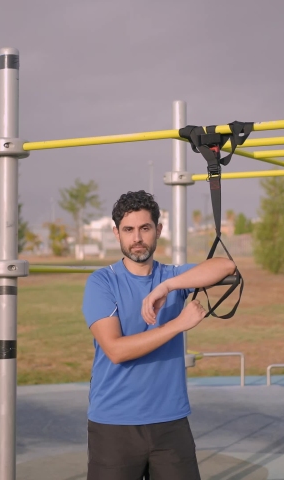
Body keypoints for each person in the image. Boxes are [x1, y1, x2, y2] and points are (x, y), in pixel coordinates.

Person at [81, 190, 236, 479]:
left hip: (170, 423)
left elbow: (226, 267)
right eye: (128, 229)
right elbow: (116, 350)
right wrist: (178, 323)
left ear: (158, 230)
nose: (137, 237)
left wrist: (166, 287)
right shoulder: (102, 282)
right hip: (115, 424)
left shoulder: (172, 277)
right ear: (117, 234)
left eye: (145, 228)